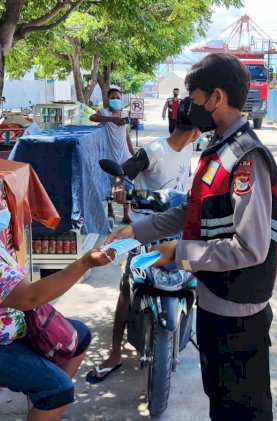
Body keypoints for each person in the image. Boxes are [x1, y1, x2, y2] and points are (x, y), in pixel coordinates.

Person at [106, 53, 277, 420]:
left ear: (216, 97)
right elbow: (191, 211)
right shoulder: (216, 151)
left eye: (194, 96)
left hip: (238, 316)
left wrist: (180, 252)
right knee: (220, 402)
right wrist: (134, 230)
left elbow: (251, 247)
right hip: (215, 301)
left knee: (240, 410)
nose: (188, 105)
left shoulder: (246, 158)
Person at [0, 170, 114, 421]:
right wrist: (84, 263)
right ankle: (51, 398)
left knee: (80, 337)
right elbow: (30, 297)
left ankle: (47, 406)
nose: (3, 206)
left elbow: (24, 289)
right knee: (58, 389)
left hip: (12, 330)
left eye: (2, 199)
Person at [86, 97, 200, 383]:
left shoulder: (189, 150)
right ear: (197, 127)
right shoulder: (154, 150)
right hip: (144, 231)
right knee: (127, 285)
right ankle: (114, 353)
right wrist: (119, 187)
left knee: (196, 275)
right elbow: (123, 172)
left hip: (176, 229)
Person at [91, 88, 136, 223]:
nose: (115, 100)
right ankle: (110, 210)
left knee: (127, 187)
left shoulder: (124, 115)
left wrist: (134, 154)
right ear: (108, 100)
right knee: (109, 187)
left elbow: (126, 136)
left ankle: (126, 214)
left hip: (125, 157)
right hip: (110, 157)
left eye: (118, 97)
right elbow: (92, 117)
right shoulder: (104, 113)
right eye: (113, 98)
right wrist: (111, 119)